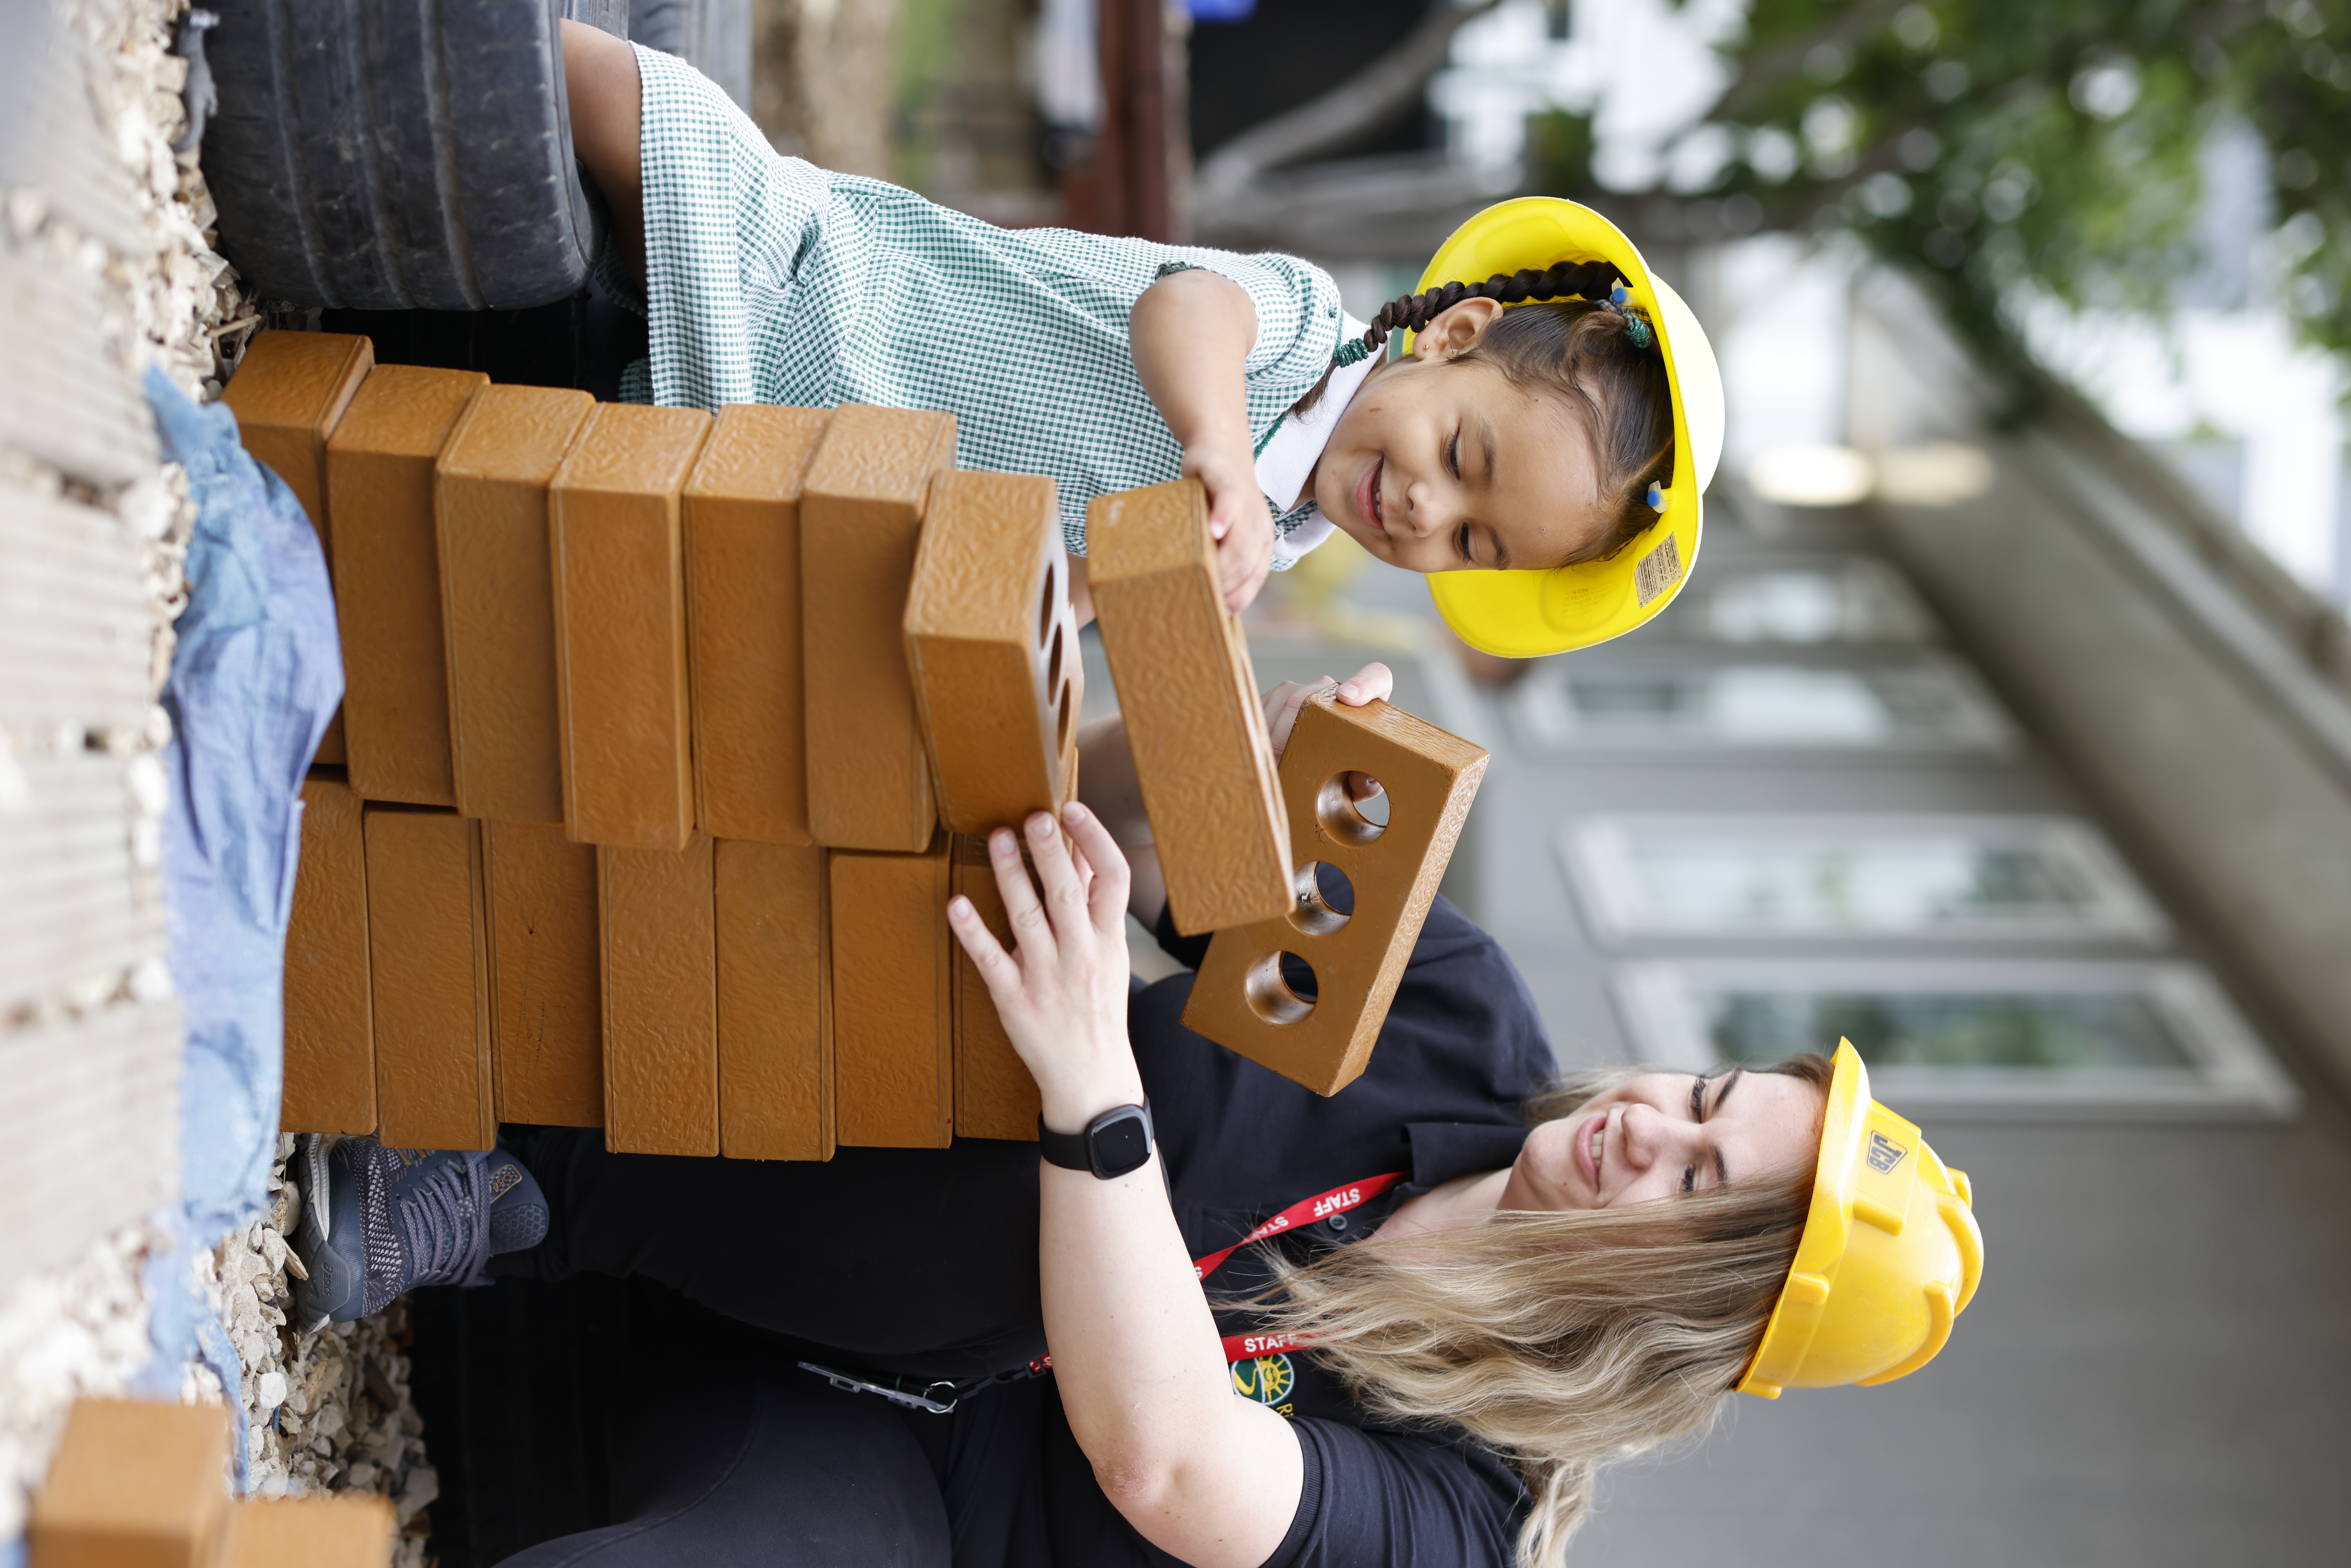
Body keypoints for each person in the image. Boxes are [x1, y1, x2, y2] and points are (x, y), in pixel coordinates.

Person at [290, 667, 1984, 1568]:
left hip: (891, 1491)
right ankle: (512, 1173)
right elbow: (1051, 830)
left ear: (1685, 1306)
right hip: (741, 1182)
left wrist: (1097, 1088)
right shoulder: (1452, 1010)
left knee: (1093, 1153)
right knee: (1035, 1049)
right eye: (1696, 1100)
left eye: (1695, 1182)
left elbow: (1167, 1459)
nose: (1644, 1132)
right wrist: (1199, 776)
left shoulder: (1466, 1509)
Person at [556, 22, 1723, 656]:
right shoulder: (1305, 334)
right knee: (666, 122)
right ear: (1452, 335)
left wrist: (1052, 624)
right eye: (1462, 461)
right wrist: (1213, 442)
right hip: (829, 296)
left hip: (804, 452)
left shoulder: (1290, 534)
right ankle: (458, 53)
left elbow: (1088, 580)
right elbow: (1184, 308)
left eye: (1471, 545)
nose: (1428, 513)